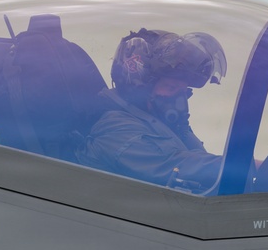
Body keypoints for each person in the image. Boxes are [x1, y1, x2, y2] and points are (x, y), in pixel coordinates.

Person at [77, 28, 227, 191]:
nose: (180, 100)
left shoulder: (162, 122)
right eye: (171, 88)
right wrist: (244, 167)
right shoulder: (114, 127)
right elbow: (175, 164)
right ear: (140, 86)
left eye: (184, 91)